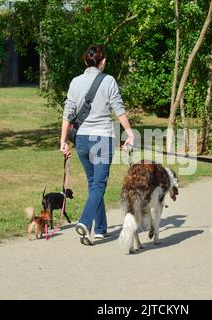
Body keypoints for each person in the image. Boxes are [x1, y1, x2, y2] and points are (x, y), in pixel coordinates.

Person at [60, 45, 134, 246]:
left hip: (82, 140)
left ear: (85, 62)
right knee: (99, 184)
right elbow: (118, 108)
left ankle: (100, 229)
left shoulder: (75, 82)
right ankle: (85, 222)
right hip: (102, 139)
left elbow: (68, 112)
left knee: (94, 184)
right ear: (103, 62)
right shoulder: (108, 80)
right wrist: (129, 133)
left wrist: (63, 140)